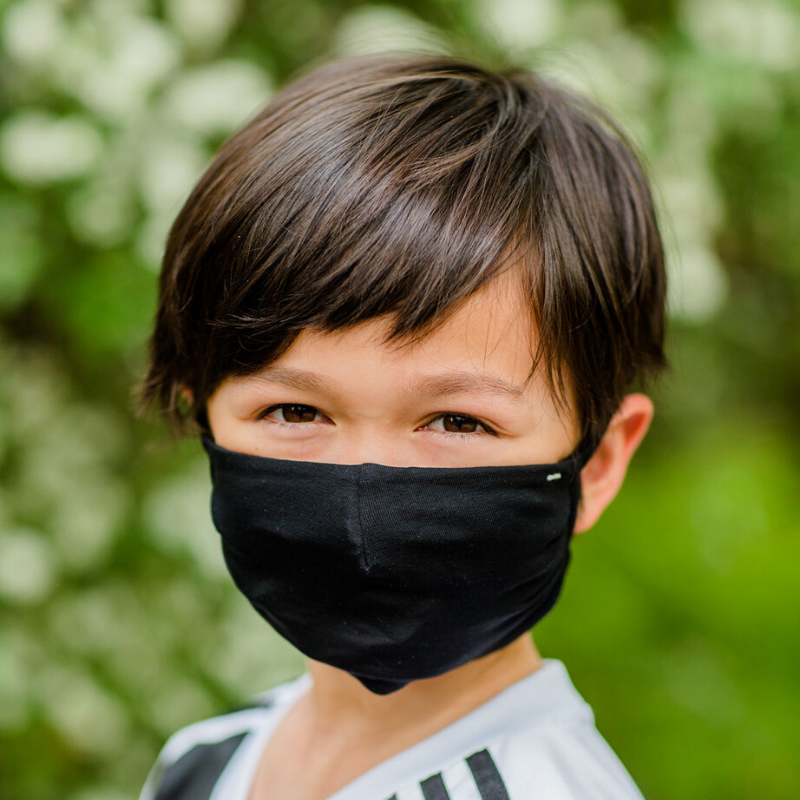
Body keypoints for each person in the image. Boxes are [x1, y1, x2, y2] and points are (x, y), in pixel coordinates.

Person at [137, 54, 666, 800]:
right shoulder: (201, 762)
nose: (366, 487)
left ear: (598, 461)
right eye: (295, 411)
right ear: (205, 414)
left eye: (457, 420)